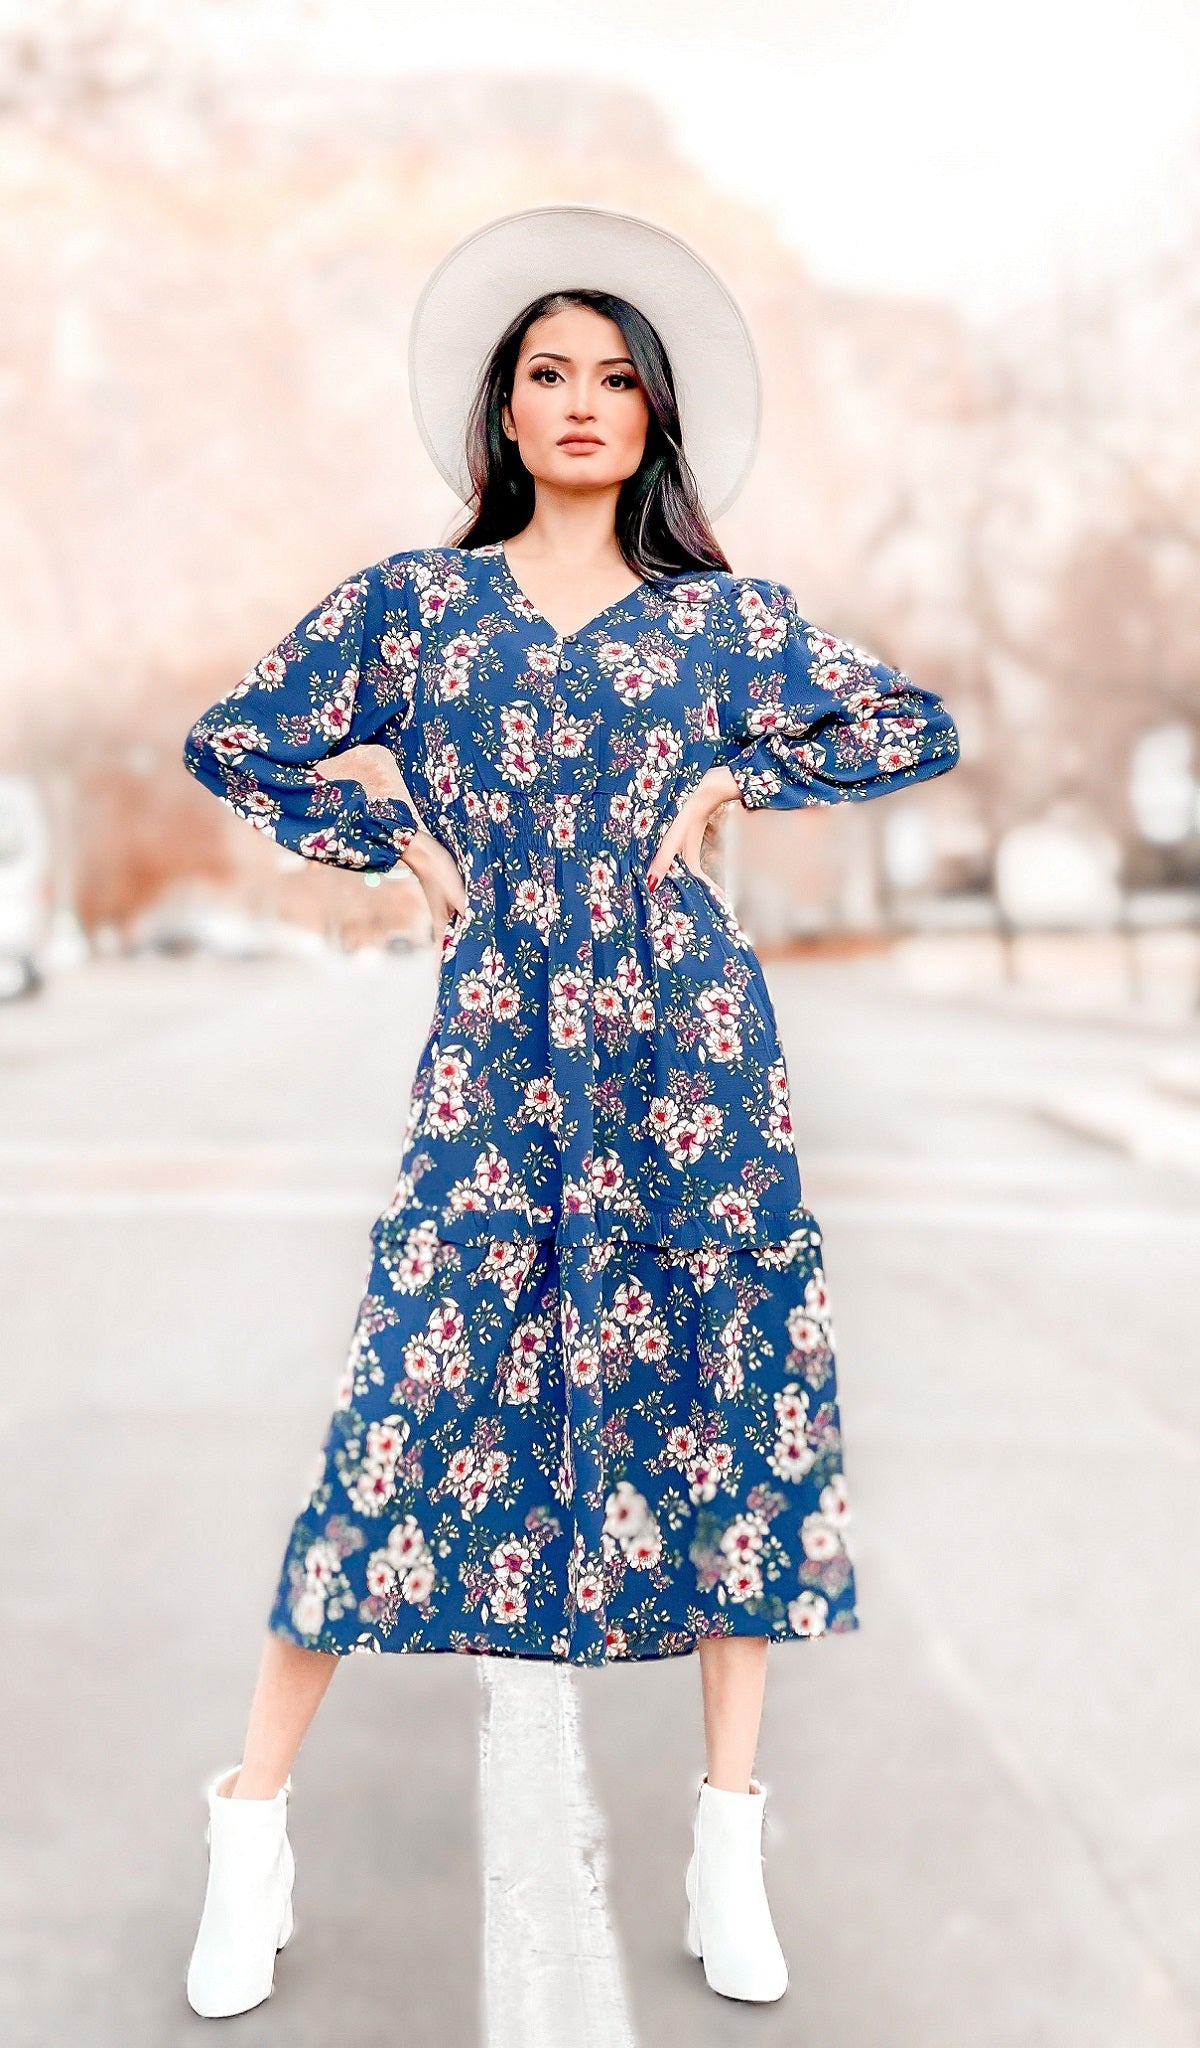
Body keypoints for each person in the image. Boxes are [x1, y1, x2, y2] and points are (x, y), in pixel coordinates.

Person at [179, 204, 960, 2019]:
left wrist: (735, 782)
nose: (584, 402)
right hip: (495, 1064)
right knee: (404, 1401)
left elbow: (906, 722)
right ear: (503, 415)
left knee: (726, 1401)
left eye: (616, 377)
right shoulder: (418, 608)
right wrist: (396, 842)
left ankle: (728, 1840)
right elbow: (244, 738)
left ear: (655, 414)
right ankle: (249, 1826)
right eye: (550, 375)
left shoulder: (724, 623)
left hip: (694, 1065)